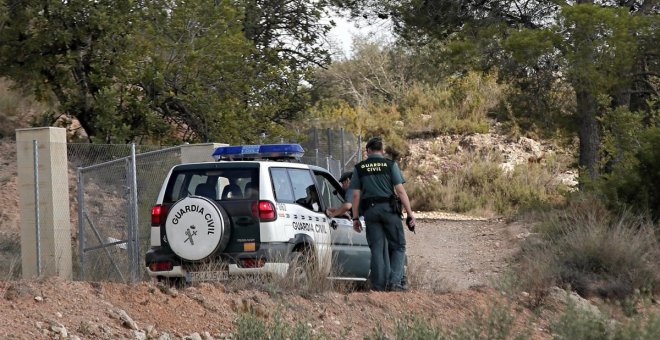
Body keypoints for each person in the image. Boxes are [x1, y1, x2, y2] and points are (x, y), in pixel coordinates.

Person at [350, 137, 416, 292]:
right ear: (382, 150)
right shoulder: (390, 165)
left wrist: (355, 218)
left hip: (370, 212)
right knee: (399, 245)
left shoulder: (359, 168)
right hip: (388, 210)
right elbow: (400, 191)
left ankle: (378, 287)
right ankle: (394, 282)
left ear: (369, 150)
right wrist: (410, 213)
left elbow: (355, 196)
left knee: (377, 248)